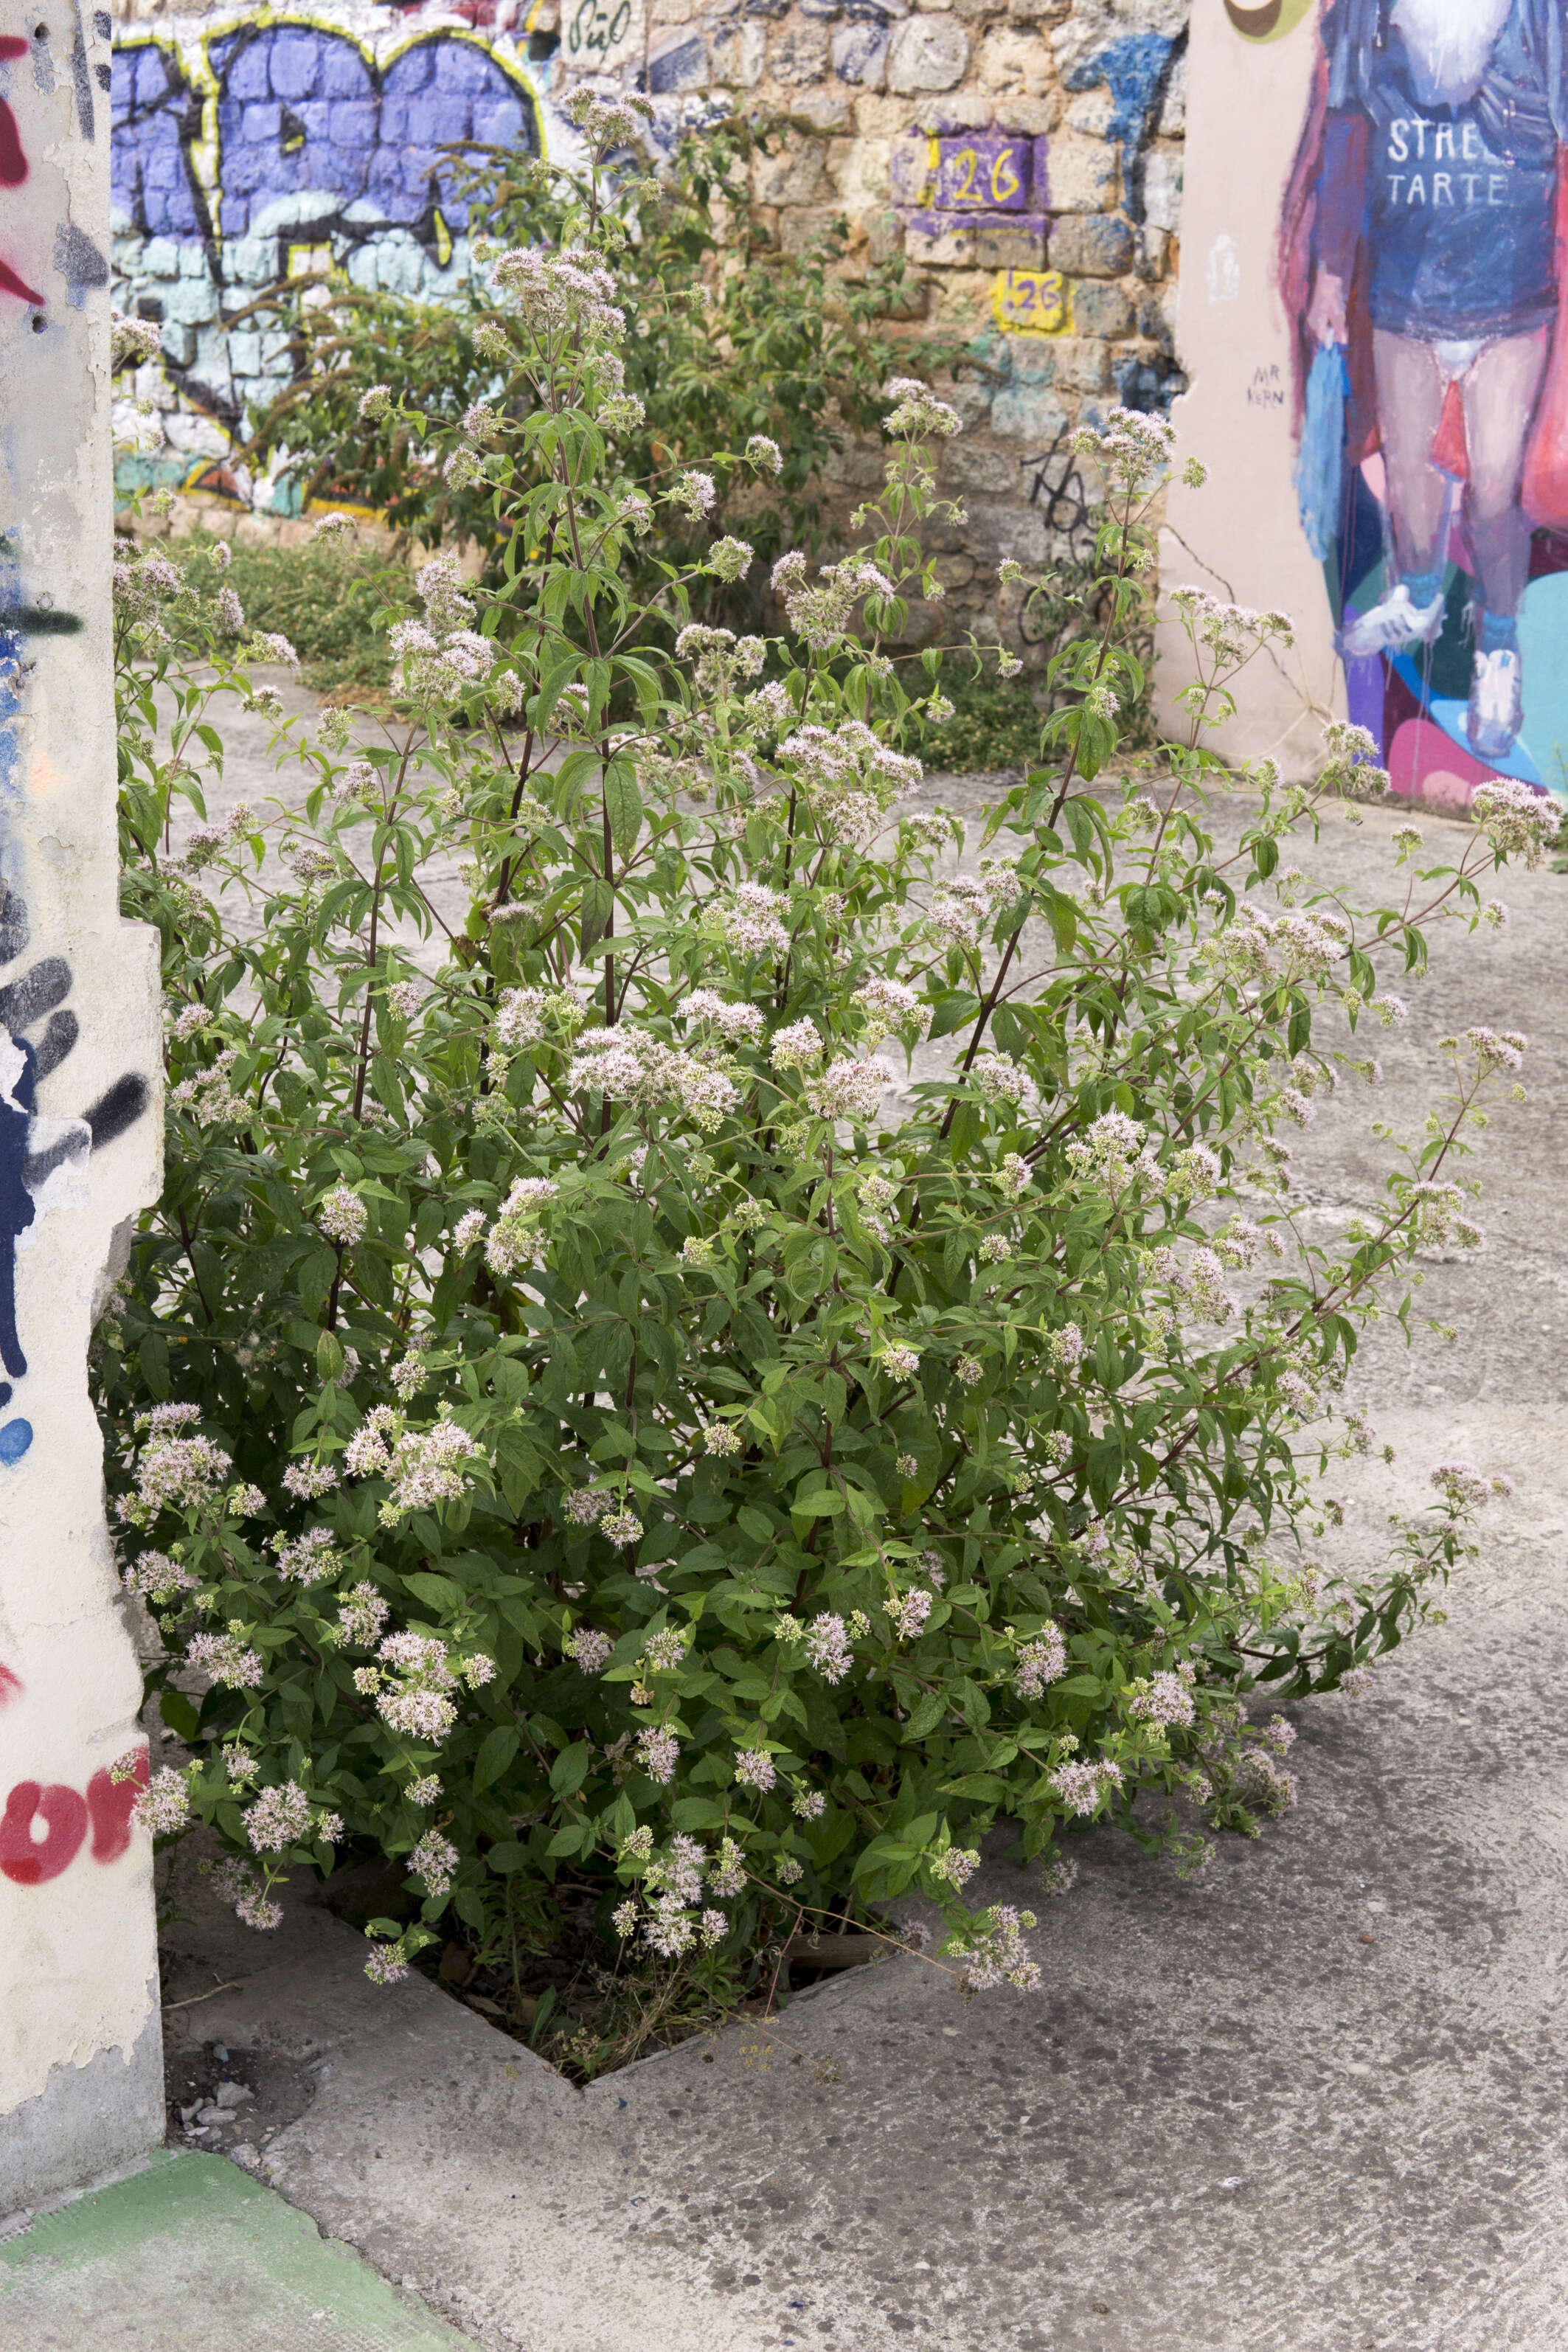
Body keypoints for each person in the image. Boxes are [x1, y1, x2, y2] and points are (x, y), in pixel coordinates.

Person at [1296, 0, 1568, 760]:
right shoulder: (1365, 13)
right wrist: (1328, 272)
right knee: (1411, 478)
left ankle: (1497, 651)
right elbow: (1346, 137)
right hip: (1400, 300)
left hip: (1511, 303)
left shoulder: (1542, 18)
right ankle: (1415, 597)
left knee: (1492, 494)